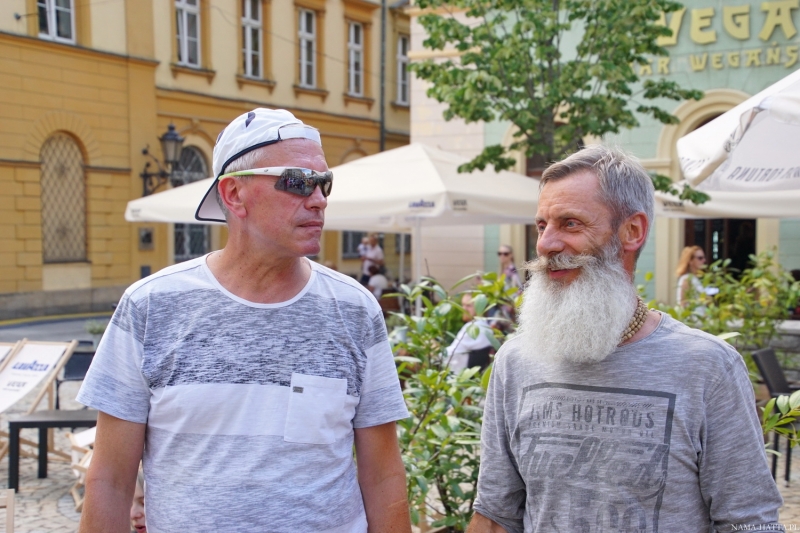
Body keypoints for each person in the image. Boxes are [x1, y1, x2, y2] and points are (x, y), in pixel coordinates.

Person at [77, 108, 411, 533]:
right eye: (298, 181)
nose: (319, 199)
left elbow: (383, 477)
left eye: (324, 183)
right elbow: (110, 479)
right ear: (234, 194)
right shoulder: (150, 306)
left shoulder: (355, 309)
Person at [468, 145, 782, 533]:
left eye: (570, 224)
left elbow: (748, 523)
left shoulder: (707, 366)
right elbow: (495, 515)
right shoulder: (516, 360)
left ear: (632, 231)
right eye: (542, 226)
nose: (546, 244)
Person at [445, 294, 495, 373]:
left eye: (468, 305)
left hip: (460, 375)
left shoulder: (474, 328)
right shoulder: (486, 327)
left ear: (479, 307)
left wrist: (435, 352)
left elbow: (450, 353)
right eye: (463, 305)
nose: (464, 309)